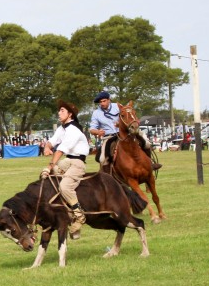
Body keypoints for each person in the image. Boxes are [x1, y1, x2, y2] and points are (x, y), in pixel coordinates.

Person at [42, 100, 91, 238]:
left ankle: (79, 216)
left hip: (77, 163)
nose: (59, 112)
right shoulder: (62, 128)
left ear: (70, 114)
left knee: (65, 187)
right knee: (48, 175)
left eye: (62, 110)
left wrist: (50, 165)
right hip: (68, 161)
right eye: (59, 110)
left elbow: (61, 150)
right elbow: (52, 141)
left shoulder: (74, 130)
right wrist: (47, 147)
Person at [88, 90, 161, 170]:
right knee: (102, 158)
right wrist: (97, 132)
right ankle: (106, 175)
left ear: (109, 100)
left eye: (104, 101)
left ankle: (151, 163)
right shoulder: (96, 113)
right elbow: (92, 129)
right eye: (100, 102)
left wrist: (121, 124)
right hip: (109, 136)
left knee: (146, 143)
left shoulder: (118, 107)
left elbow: (129, 117)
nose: (102, 103)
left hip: (125, 133)